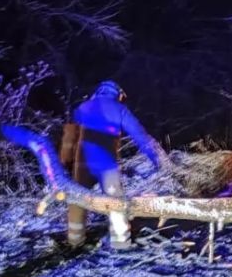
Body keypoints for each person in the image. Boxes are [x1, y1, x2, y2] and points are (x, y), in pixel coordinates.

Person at [62, 81, 168, 249]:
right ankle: (120, 242)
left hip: (81, 165)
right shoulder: (119, 109)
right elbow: (141, 137)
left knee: (77, 200)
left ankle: (75, 240)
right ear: (118, 94)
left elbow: (69, 137)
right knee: (116, 203)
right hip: (106, 166)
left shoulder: (83, 107)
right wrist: (158, 161)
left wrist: (65, 162)